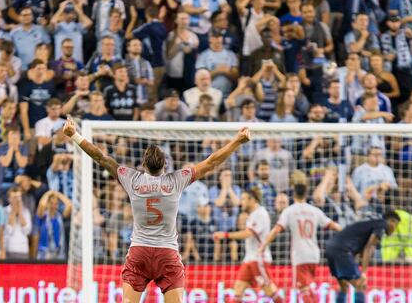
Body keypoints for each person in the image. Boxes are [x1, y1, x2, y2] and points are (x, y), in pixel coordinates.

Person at [64, 115, 250, 302]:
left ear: (144, 165)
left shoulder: (132, 179)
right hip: (167, 253)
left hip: (139, 252)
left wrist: (75, 135)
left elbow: (101, 157)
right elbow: (212, 162)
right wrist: (237, 141)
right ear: (165, 165)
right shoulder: (176, 180)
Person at [212, 188, 281, 302]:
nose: (241, 202)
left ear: (252, 200)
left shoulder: (260, 213)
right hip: (250, 258)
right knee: (238, 289)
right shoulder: (253, 214)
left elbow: (248, 233)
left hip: (259, 258)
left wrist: (225, 235)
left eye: (243, 199)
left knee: (269, 290)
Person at [324, 211, 401, 303]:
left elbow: (359, 247)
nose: (395, 229)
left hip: (330, 247)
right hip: (342, 250)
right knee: (360, 285)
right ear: (391, 221)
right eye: (395, 225)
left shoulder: (370, 224)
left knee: (344, 286)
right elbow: (369, 247)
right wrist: (363, 272)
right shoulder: (382, 224)